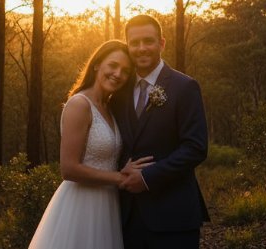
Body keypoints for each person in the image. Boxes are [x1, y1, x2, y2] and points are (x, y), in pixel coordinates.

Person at [28, 40, 153, 249]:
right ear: (97, 64)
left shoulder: (110, 107)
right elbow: (68, 169)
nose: (117, 74)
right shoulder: (79, 104)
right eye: (112, 65)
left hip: (108, 204)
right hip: (81, 205)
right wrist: (121, 177)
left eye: (125, 70)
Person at [112, 14, 209, 249]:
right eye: (134, 43)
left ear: (162, 43)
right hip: (128, 217)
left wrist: (146, 178)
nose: (141, 48)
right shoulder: (118, 91)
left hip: (173, 216)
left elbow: (195, 148)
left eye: (148, 41)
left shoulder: (184, 87)